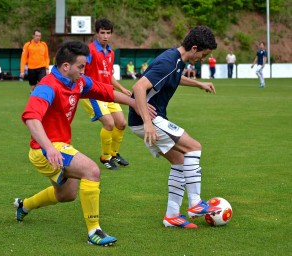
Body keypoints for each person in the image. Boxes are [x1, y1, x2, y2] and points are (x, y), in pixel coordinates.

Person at [14, 40, 155, 246]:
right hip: (44, 150)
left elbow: (105, 92)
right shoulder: (47, 86)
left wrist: (135, 102)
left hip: (60, 146)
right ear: (65, 67)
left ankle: (24, 205)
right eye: (81, 66)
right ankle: (94, 231)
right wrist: (49, 147)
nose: (84, 70)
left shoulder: (78, 82)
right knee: (91, 170)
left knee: (67, 195)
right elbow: (31, 118)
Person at [128, 25, 222, 229]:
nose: (203, 59)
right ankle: (195, 202)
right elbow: (138, 87)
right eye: (203, 54)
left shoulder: (175, 60)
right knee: (194, 147)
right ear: (194, 48)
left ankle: (171, 216)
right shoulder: (169, 61)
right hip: (149, 119)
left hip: (146, 120)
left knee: (179, 160)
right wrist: (147, 122)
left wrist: (199, 84)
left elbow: (175, 77)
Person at [82, 18, 132, 170]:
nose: (105, 36)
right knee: (109, 123)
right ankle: (105, 157)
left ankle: (114, 153)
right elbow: (81, 70)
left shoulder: (110, 52)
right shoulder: (89, 50)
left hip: (107, 92)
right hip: (93, 93)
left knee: (122, 123)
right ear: (97, 33)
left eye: (108, 33)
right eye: (102, 33)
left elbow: (108, 75)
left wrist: (122, 89)